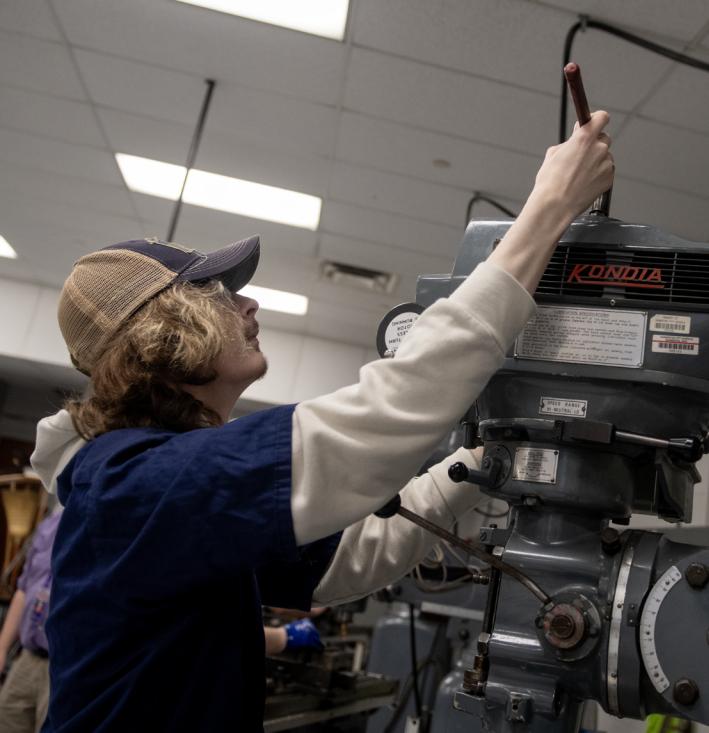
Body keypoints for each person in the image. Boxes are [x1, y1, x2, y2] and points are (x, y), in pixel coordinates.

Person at [30, 113, 613, 731]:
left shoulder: (162, 490)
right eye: (218, 292)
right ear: (165, 332)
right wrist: (548, 209)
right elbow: (382, 414)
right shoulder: (139, 487)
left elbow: (351, 558)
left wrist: (478, 466)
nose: (247, 301)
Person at [0, 510, 62, 733]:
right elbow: (24, 589)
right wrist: (2, 647)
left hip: (62, 665)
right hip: (27, 659)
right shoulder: (51, 523)